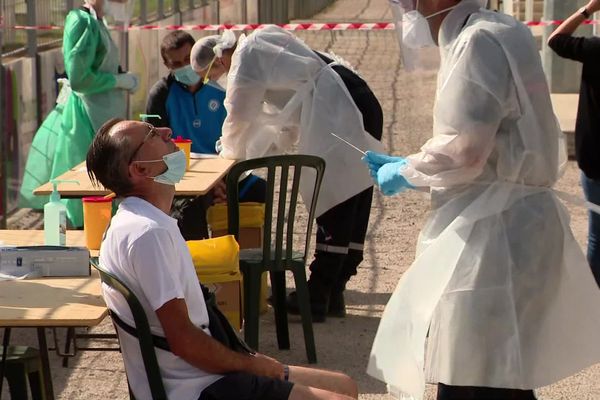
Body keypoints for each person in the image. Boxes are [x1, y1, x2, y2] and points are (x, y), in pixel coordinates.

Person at [362, 1, 600, 399]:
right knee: (502, 375)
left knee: (473, 372)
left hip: (493, 236)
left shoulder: (476, 43)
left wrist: (406, 171)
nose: (408, 7)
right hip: (516, 225)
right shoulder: (502, 31)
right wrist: (413, 162)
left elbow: (467, 150)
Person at [86, 118, 359, 400]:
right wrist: (252, 364)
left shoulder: (138, 222)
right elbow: (184, 341)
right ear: (140, 169)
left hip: (196, 376)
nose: (167, 131)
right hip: (195, 387)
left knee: (345, 386)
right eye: (153, 134)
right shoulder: (148, 234)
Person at [190, 27, 384, 322]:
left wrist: (226, 162)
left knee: (335, 194)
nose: (217, 79)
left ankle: (318, 293)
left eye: (210, 76)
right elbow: (284, 118)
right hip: (355, 99)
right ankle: (334, 289)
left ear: (217, 60)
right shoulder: (261, 45)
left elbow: (237, 117)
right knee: (354, 189)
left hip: (341, 106)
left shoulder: (246, 57)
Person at [18, 0, 138, 227]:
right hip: (85, 120)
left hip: (101, 116)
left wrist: (119, 78)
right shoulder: (80, 21)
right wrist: (118, 81)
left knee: (105, 190)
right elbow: (80, 79)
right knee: (85, 193)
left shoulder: (96, 21)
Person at [145, 31, 265, 240]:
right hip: (185, 178)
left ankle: (254, 263)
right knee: (188, 210)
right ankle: (199, 266)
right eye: (176, 63)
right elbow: (152, 148)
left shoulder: (221, 86)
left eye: (187, 59)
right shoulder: (161, 94)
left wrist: (223, 178)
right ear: (166, 65)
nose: (185, 66)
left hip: (226, 171)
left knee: (260, 190)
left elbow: (239, 138)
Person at [548, 0, 600, 286]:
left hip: (594, 157)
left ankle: (595, 300)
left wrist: (588, 9)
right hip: (593, 157)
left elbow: (556, 40)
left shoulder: (595, 51)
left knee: (597, 234)